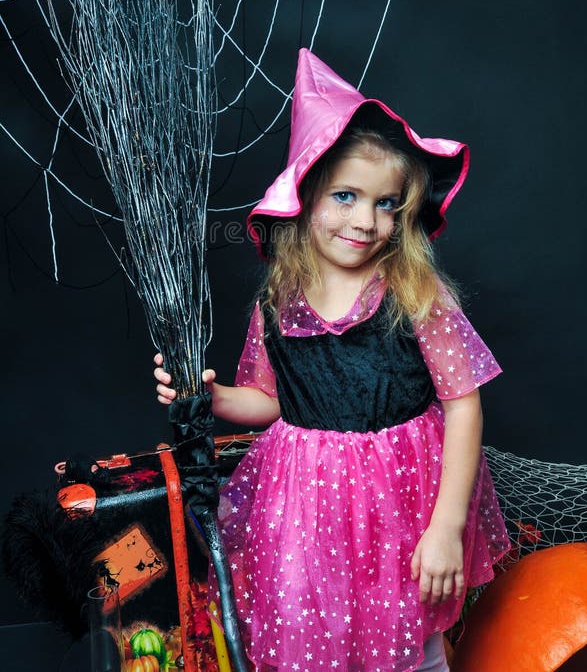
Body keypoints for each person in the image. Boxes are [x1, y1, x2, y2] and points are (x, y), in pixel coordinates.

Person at [155, 49, 510, 671]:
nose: (366, 221)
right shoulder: (277, 302)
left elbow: (463, 404)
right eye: (346, 196)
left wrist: (446, 526)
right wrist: (207, 397)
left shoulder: (416, 296)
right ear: (305, 196)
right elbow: (267, 401)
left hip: (402, 502)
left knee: (408, 632)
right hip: (304, 507)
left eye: (386, 204)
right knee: (309, 628)